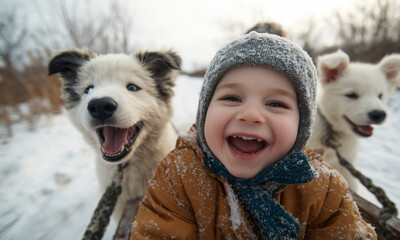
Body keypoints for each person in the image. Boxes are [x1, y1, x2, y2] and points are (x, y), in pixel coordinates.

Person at [131, 32, 376, 240]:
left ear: (301, 125)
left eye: (276, 103)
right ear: (205, 111)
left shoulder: (321, 187)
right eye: (232, 98)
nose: (250, 115)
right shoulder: (179, 174)